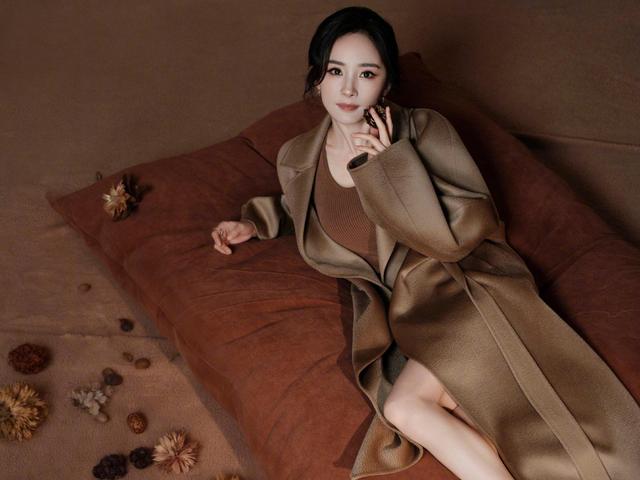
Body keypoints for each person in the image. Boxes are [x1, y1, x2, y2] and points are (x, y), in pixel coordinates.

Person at [211, 6, 640, 480]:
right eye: (335, 71)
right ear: (317, 79)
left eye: (366, 73)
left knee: (428, 411)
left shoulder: (423, 130)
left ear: (386, 83)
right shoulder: (298, 157)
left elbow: (453, 238)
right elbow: (307, 205)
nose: (348, 89)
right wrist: (255, 221)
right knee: (430, 414)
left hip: (461, 286)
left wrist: (390, 168)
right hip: (408, 314)